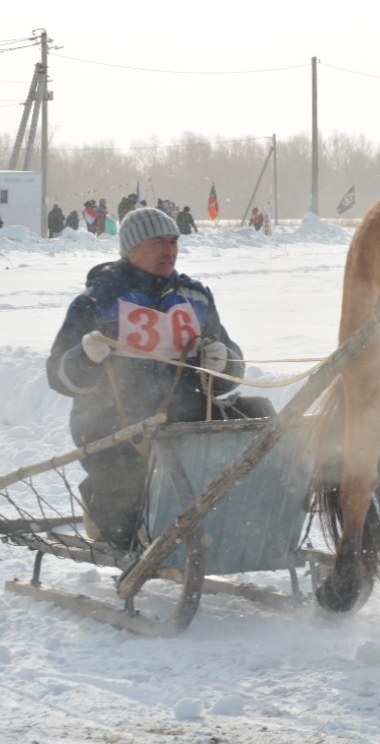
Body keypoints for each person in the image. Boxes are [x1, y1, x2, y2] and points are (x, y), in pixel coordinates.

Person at [46, 207, 245, 550]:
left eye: (173, 241)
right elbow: (59, 377)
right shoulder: (97, 301)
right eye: (158, 242)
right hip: (114, 428)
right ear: (132, 248)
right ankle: (107, 512)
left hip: (188, 425)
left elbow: (231, 374)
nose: (169, 250)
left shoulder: (194, 299)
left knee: (258, 424)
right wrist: (84, 358)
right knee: (124, 530)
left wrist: (225, 362)